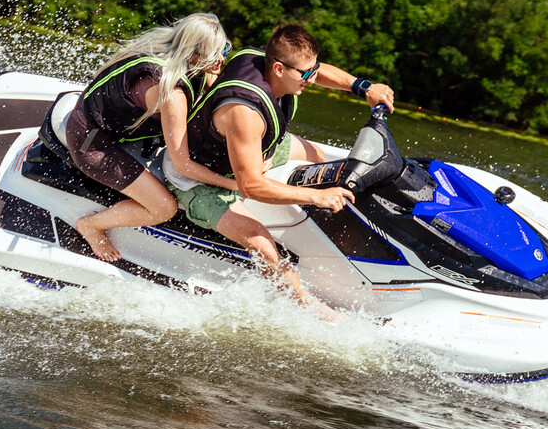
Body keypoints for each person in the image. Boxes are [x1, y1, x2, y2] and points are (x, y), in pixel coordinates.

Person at [162, 24, 396, 318]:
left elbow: (320, 71)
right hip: (198, 179)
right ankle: (310, 308)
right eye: (306, 74)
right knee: (258, 238)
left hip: (255, 149)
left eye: (313, 71)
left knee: (317, 156)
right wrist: (316, 198)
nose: (312, 80)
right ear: (278, 69)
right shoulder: (244, 113)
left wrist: (363, 87)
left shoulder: (272, 63)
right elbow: (251, 187)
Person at [67, 13, 239, 261]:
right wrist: (235, 184)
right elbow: (183, 166)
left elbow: (213, 80)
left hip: (95, 114)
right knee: (164, 208)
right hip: (91, 144)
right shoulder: (172, 95)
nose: (222, 58)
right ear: (194, 55)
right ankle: (91, 225)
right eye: (215, 54)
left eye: (225, 48)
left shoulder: (167, 50)